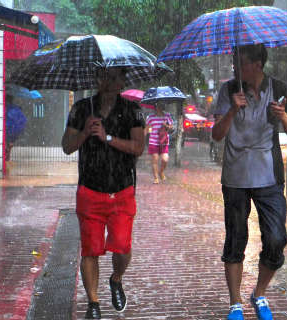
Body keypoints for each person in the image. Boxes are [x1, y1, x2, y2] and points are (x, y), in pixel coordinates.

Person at [212, 44, 287, 320]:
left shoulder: (279, 88)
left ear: (258, 64)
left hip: (268, 177)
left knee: (276, 239)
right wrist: (231, 112)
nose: (235, 67)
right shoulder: (228, 90)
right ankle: (235, 302)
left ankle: (259, 293)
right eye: (234, 62)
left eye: (240, 62)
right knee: (235, 239)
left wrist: (283, 116)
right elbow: (216, 134)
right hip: (236, 177)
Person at [62, 67, 145, 319]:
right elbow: (66, 146)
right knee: (90, 249)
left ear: (122, 80)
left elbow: (138, 147)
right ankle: (93, 303)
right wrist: (86, 132)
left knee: (121, 247)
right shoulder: (81, 109)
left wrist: (107, 137)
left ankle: (116, 279)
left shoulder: (132, 110)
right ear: (96, 79)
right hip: (90, 189)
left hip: (121, 189)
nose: (108, 82)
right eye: (103, 76)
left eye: (114, 77)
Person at [145, 102, 174, 184]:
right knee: (155, 159)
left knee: (165, 159)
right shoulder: (150, 117)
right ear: (155, 107)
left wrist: (166, 126)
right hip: (153, 142)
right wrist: (141, 138)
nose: (160, 107)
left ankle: (161, 172)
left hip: (164, 142)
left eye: (161, 106)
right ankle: (156, 178)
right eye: (158, 106)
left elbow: (171, 127)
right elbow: (147, 129)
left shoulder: (167, 116)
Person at [4, 95, 27, 161]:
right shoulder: (16, 109)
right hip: (15, 131)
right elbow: (23, 121)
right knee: (10, 144)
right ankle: (7, 156)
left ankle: (6, 156)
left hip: (7, 130)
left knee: (6, 144)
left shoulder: (5, 109)